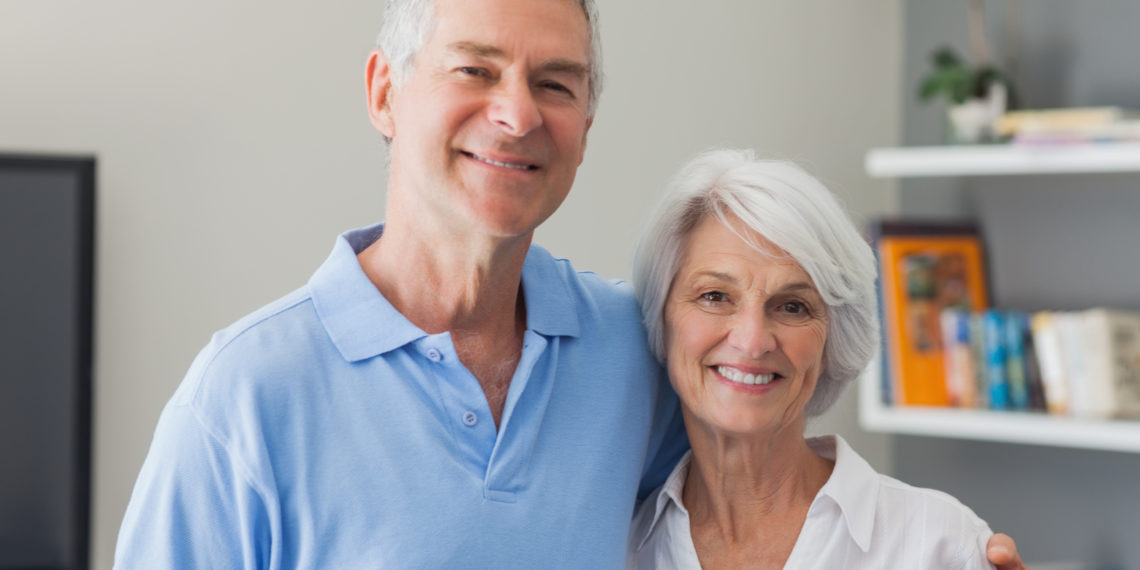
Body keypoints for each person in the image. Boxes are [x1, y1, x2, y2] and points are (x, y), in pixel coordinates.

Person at [114, 0, 1026, 567]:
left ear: (587, 120)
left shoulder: (636, 349)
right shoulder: (242, 396)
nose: (515, 114)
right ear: (386, 92)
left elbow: (763, 481)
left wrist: (945, 546)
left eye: (556, 82)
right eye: (475, 68)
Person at [628, 149, 1001, 568]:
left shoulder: (938, 543)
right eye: (715, 296)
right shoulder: (619, 549)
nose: (753, 341)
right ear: (662, 319)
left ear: (832, 341)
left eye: (792, 307)